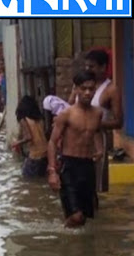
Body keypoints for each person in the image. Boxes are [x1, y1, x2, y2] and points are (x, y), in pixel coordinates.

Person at [47, 71, 104, 228]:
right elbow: (52, 142)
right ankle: (63, 233)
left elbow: (97, 131)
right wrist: (52, 171)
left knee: (86, 216)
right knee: (77, 217)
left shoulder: (97, 113)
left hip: (87, 165)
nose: (87, 93)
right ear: (76, 89)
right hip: (69, 166)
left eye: (91, 89)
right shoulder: (66, 114)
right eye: (83, 88)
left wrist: (99, 150)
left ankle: (77, 246)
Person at [68, 49, 123, 193]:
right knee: (74, 182)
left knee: (95, 186)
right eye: (86, 66)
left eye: (91, 66)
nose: (88, 69)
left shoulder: (111, 90)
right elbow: (69, 106)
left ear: (103, 67)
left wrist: (94, 123)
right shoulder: (80, 85)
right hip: (75, 139)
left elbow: (118, 122)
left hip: (98, 139)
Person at [12, 96, 48, 178]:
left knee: (26, 181)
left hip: (35, 156)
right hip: (45, 155)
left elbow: (28, 137)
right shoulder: (39, 119)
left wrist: (17, 143)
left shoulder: (23, 119)